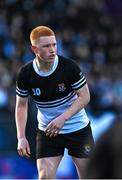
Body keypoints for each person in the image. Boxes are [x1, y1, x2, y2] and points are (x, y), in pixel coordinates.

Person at [15, 25, 94, 179]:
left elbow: (85, 96)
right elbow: (21, 105)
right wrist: (21, 137)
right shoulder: (25, 74)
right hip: (48, 131)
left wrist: (62, 118)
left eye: (54, 44)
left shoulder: (69, 67)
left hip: (77, 128)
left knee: (89, 176)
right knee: (45, 176)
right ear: (34, 49)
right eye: (46, 46)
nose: (52, 49)